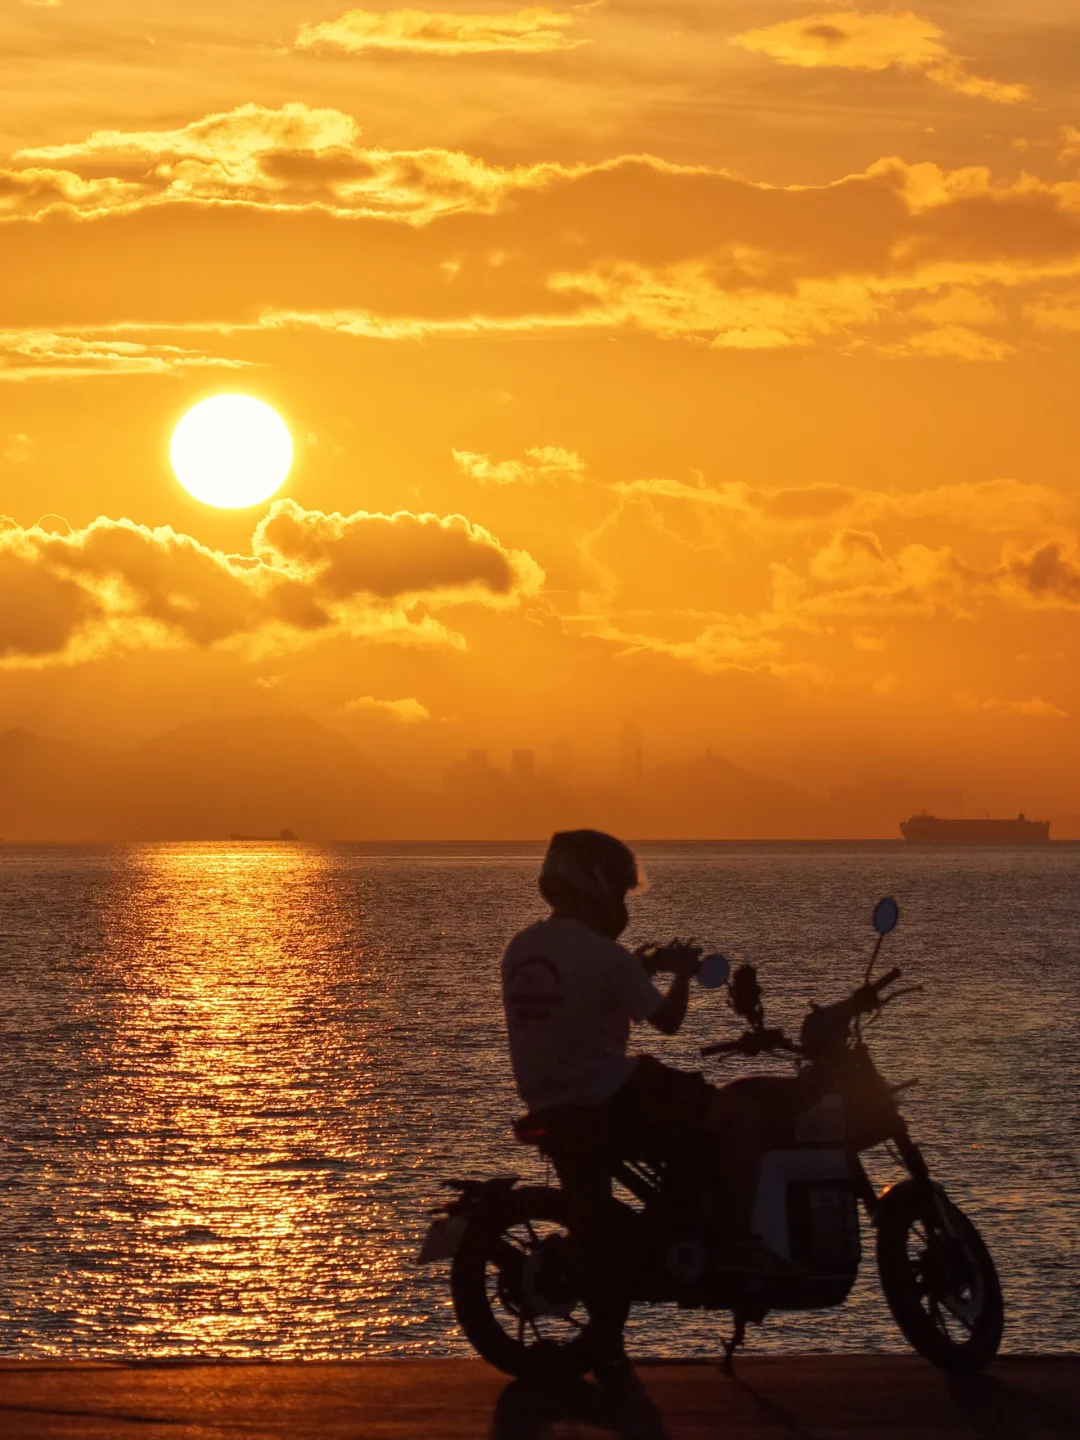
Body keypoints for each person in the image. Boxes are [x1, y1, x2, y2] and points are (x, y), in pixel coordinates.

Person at [500, 828, 787, 1369]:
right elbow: (669, 1022)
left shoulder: (521, 947)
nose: (622, 902)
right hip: (613, 1094)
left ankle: (606, 1339)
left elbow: (586, 988)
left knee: (595, 1222)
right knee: (741, 1116)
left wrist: (645, 965)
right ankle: (735, 1244)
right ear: (600, 885)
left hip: (550, 1105)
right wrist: (679, 976)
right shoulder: (605, 956)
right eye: (621, 892)